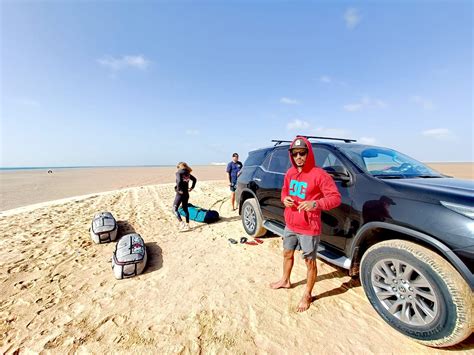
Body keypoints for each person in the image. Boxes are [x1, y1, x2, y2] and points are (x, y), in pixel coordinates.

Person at [270, 136, 341, 312]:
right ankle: (285, 280)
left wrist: (314, 204)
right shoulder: (290, 173)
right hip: (290, 224)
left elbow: (335, 198)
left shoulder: (320, 175)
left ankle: (307, 294)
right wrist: (284, 199)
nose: (299, 157)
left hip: (309, 227)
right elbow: (285, 191)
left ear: (308, 153)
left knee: (310, 262)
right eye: (295, 154)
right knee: (287, 253)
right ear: (291, 156)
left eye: (302, 153)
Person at [173, 162, 197, 231]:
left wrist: (178, 189)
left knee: (174, 209)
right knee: (185, 209)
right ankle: (187, 225)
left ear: (179, 167)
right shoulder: (188, 173)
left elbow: (179, 181)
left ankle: (181, 223)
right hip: (186, 193)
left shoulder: (178, 173)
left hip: (180, 194)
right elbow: (195, 179)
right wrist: (192, 187)